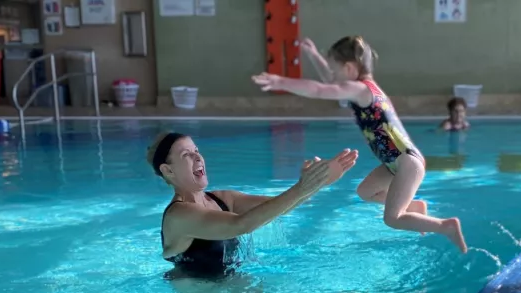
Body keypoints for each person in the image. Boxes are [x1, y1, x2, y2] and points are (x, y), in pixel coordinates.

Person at [252, 36, 467, 253]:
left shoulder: (362, 91)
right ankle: (414, 207)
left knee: (392, 219)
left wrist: (281, 82)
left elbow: (320, 90)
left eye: (336, 71)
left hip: (407, 163)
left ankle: (445, 226)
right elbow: (329, 82)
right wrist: (314, 55)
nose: (333, 77)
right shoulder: (363, 89)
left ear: (348, 68)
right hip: (395, 162)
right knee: (366, 191)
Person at [148, 132, 359, 279]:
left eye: (196, 150)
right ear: (168, 171)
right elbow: (242, 224)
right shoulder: (179, 215)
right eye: (186, 155)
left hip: (228, 292)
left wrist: (318, 183)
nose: (197, 156)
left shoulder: (223, 199)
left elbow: (278, 207)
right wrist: (302, 188)